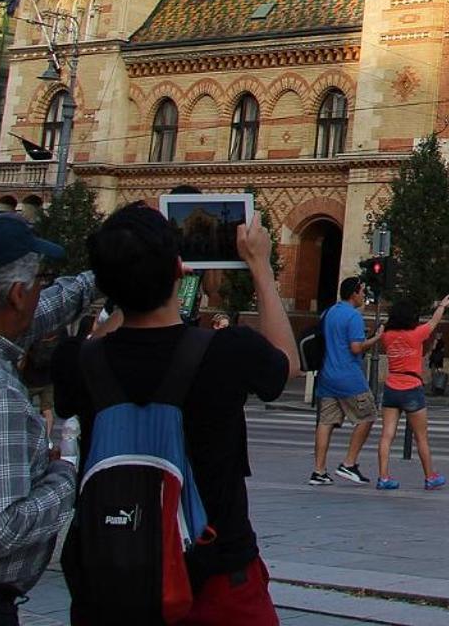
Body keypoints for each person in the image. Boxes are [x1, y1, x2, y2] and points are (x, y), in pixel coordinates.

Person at [54, 202, 297, 626]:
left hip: (110, 575)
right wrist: (260, 266)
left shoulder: (76, 362)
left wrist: (126, 283)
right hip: (217, 573)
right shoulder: (227, 352)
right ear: (178, 269)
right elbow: (286, 363)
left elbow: (103, 337)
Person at [0, 211, 97, 624]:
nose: (41, 294)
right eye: (39, 283)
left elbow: (40, 312)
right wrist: (64, 474)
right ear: (18, 294)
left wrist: (98, 277)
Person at [309, 275, 383, 486]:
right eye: (362, 292)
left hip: (327, 376)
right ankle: (349, 463)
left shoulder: (328, 312)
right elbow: (356, 348)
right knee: (368, 415)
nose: (363, 296)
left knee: (326, 422)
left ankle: (319, 470)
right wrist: (376, 338)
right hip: (348, 376)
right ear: (354, 293)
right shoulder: (353, 317)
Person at [374, 296, 449, 491]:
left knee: (387, 435)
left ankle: (383, 476)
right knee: (421, 436)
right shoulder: (416, 334)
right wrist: (441, 305)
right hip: (411, 386)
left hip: (391, 385)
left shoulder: (387, 336)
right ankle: (429, 476)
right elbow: (434, 322)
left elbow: (381, 331)